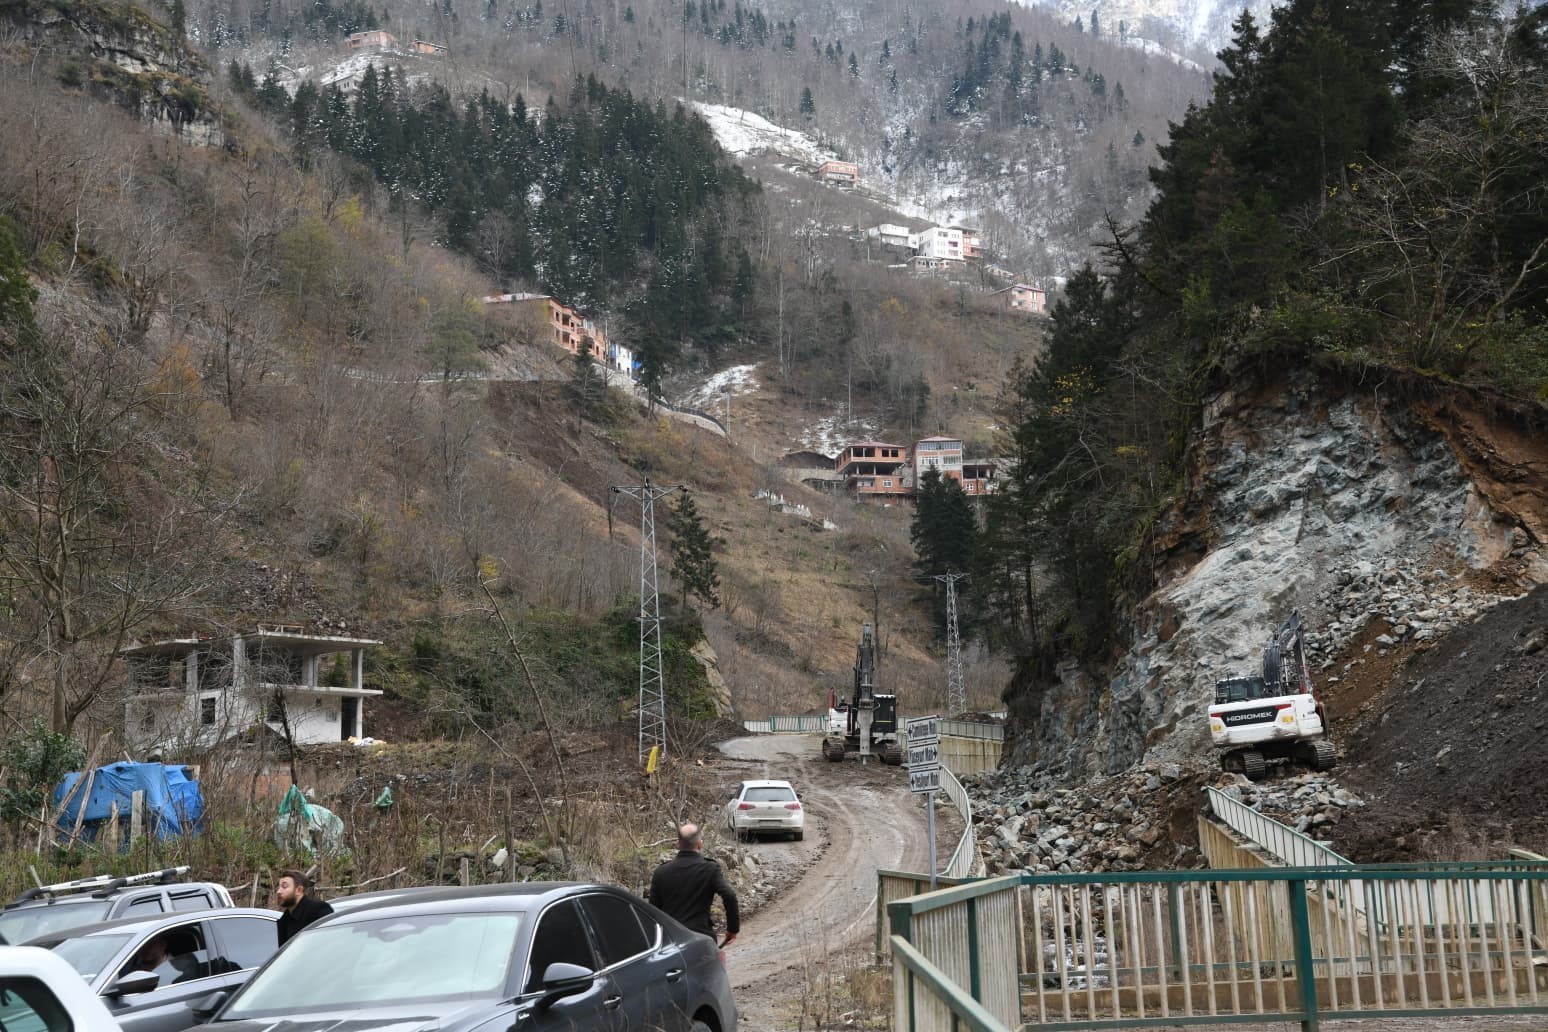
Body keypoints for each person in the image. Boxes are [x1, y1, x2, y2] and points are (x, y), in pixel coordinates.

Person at [647, 823, 740, 946]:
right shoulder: (710, 869)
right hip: (702, 938)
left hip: (671, 942)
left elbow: (653, 912)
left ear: (677, 844)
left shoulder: (661, 872)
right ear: (700, 844)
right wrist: (733, 929)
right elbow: (729, 895)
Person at [274, 869, 333, 945]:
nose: (278, 891)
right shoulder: (284, 920)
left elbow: (329, 945)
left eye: (284, 886)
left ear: (299, 890)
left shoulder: (319, 910)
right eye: (279, 887)